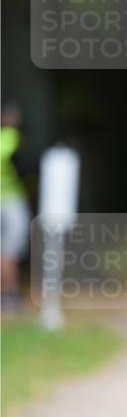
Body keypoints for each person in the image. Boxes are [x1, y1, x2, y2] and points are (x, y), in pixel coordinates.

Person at [1, 104, 31, 313]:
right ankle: (10, 293)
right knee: (10, 249)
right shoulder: (13, 140)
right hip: (11, 200)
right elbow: (23, 169)